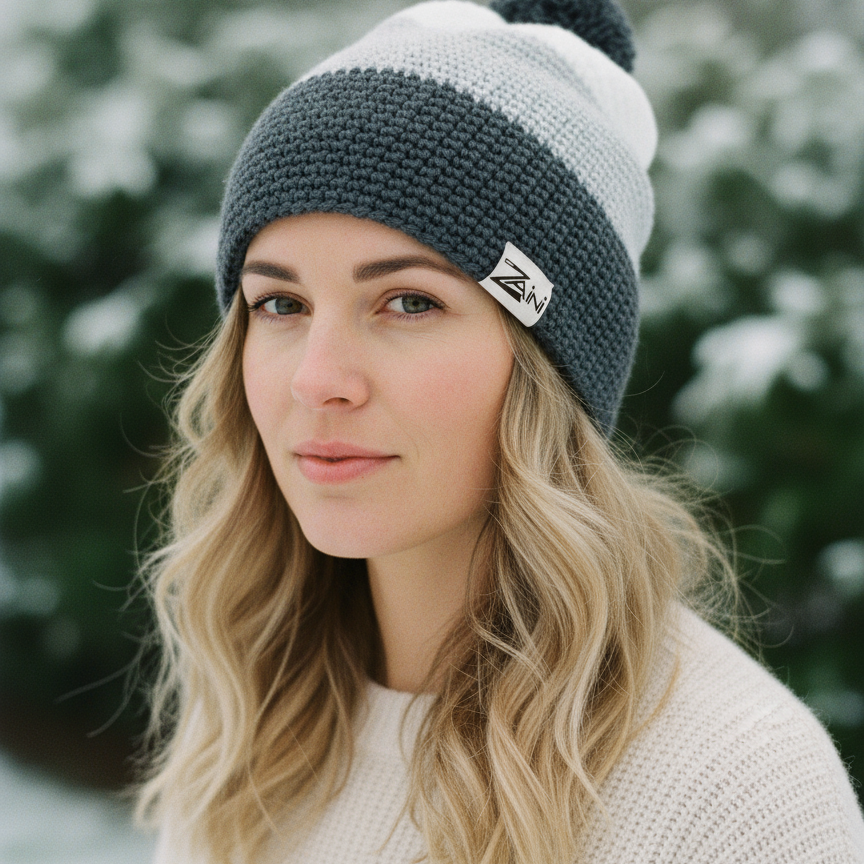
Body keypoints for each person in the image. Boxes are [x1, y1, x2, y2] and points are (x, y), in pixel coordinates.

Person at [136, 0, 864, 862]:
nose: (316, 379)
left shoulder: (735, 788)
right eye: (280, 303)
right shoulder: (255, 715)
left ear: (550, 364)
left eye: (409, 301)